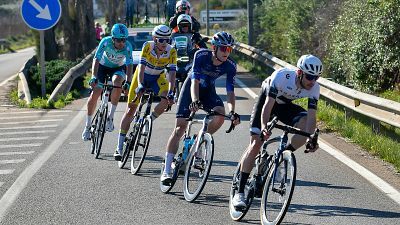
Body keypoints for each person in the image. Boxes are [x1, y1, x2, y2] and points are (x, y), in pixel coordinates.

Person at [231, 54, 322, 209]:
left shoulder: (314, 88)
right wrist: (264, 126)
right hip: (267, 102)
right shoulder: (282, 77)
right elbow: (268, 106)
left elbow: (312, 117)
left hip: (285, 106)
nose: (312, 81)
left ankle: (281, 158)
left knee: (306, 125)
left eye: (316, 78)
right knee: (256, 144)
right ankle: (239, 193)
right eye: (309, 77)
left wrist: (311, 138)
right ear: (299, 73)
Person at [160, 31, 241, 184]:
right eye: (223, 49)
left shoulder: (230, 66)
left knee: (220, 115)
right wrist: (195, 100)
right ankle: (166, 170)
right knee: (180, 128)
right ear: (214, 48)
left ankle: (200, 138)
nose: (226, 53)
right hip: (191, 88)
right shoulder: (201, 55)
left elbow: (230, 91)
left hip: (208, 90)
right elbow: (195, 82)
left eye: (229, 49)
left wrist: (232, 112)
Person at [113, 25, 177, 161]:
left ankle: (149, 120)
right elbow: (141, 67)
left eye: (167, 40)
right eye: (161, 40)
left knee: (166, 99)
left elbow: (172, 74)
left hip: (157, 77)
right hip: (142, 76)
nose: (164, 43)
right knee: (131, 110)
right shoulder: (148, 46)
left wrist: (171, 92)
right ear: (154, 38)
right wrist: (140, 85)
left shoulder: (171, 51)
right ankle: (119, 147)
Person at [82, 23, 133, 141]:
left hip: (117, 68)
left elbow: (129, 64)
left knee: (117, 82)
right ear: (113, 38)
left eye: (124, 40)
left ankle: (110, 117)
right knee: (96, 91)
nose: (122, 43)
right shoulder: (105, 42)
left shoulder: (127, 47)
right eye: (119, 40)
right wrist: (94, 76)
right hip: (102, 67)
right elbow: (96, 59)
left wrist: (128, 82)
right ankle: (88, 126)